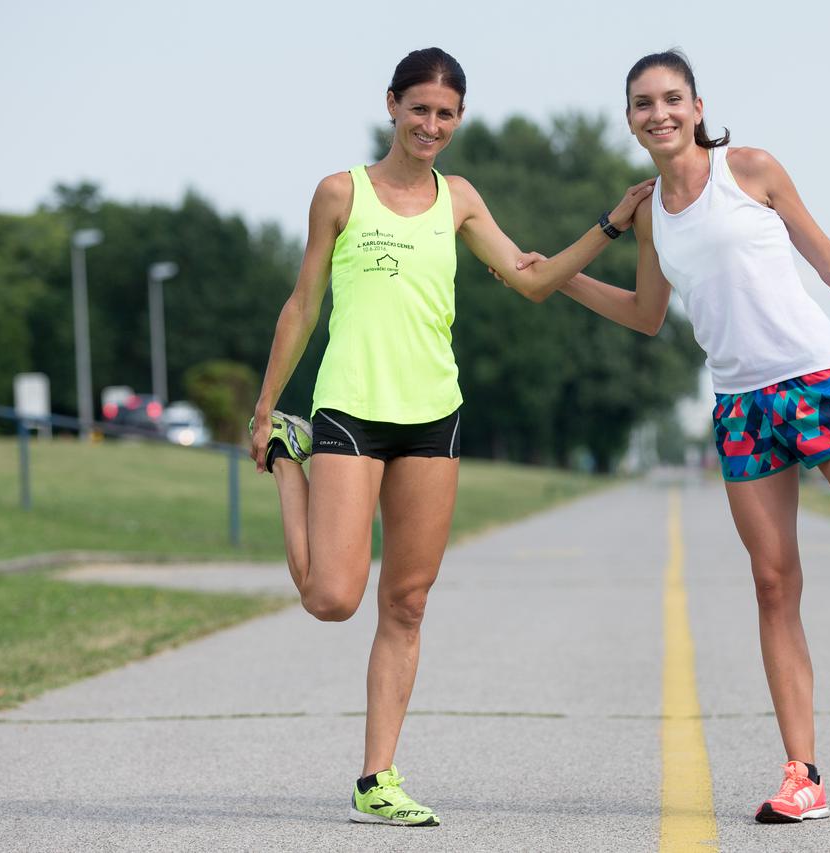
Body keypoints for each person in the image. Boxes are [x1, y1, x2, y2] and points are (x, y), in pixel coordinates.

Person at [509, 49, 830, 824]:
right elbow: (646, 314)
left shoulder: (751, 170)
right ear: (630, 118)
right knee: (774, 584)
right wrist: (565, 275)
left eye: (672, 99)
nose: (659, 113)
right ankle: (802, 772)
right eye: (643, 103)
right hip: (740, 405)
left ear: (698, 107)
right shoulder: (648, 215)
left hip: (816, 381)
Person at [248, 46, 653, 827]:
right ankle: (288, 466)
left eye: (445, 113)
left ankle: (377, 777)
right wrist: (266, 407)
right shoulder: (341, 193)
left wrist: (609, 225)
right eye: (419, 109)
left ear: (458, 119)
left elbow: (532, 280)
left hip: (434, 414)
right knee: (333, 597)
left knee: (406, 602)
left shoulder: (459, 199)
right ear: (392, 104)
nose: (430, 124)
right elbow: (302, 306)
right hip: (348, 411)